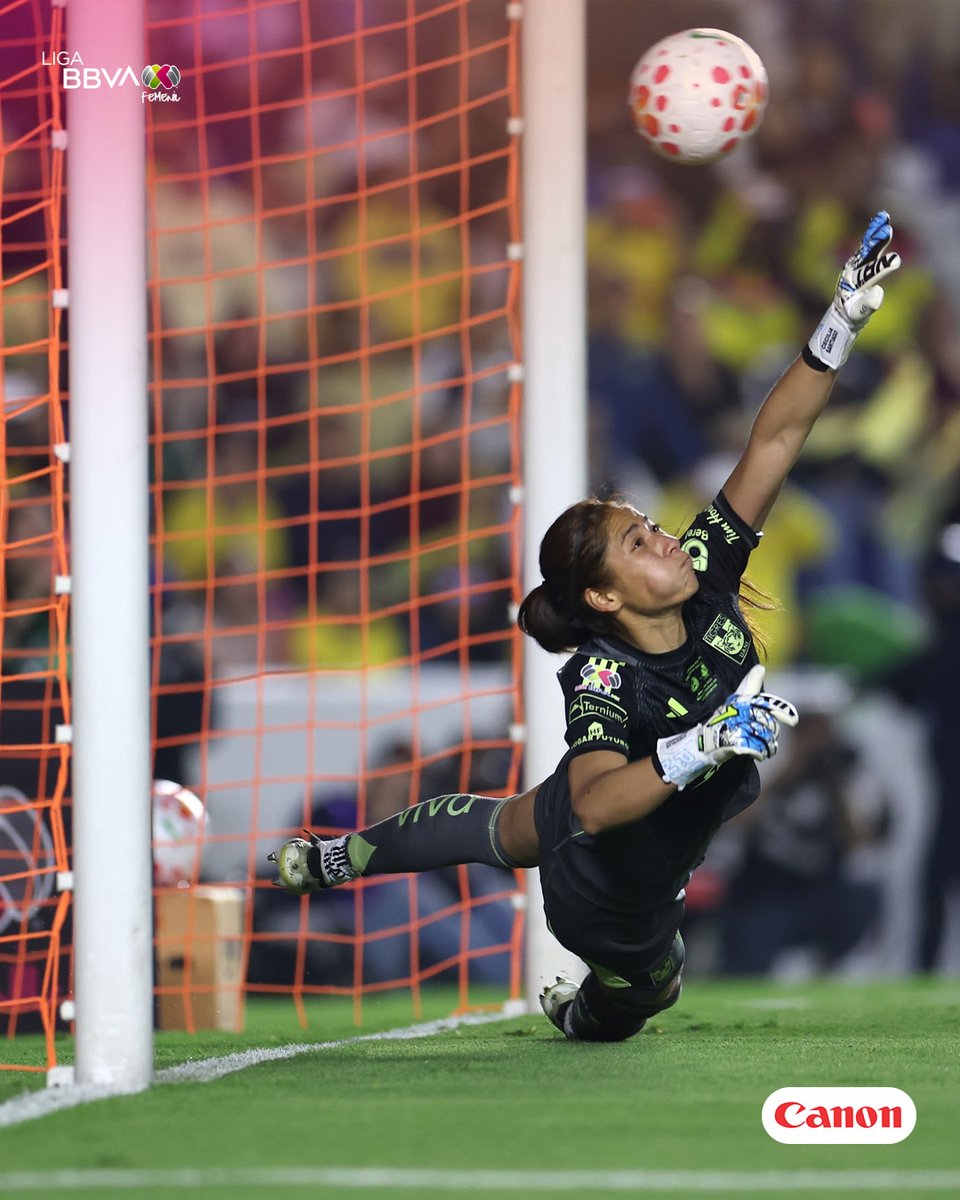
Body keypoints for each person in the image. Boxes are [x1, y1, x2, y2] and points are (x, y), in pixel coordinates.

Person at [268, 212, 901, 1041]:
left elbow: (776, 439)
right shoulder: (604, 675)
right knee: (639, 992)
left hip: (647, 819)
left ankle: (345, 856)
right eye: (639, 540)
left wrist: (836, 327)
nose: (666, 535)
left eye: (652, 525)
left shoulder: (706, 573)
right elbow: (600, 807)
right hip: (611, 887)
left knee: (508, 824)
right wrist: (707, 742)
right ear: (604, 599)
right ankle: (364, 872)